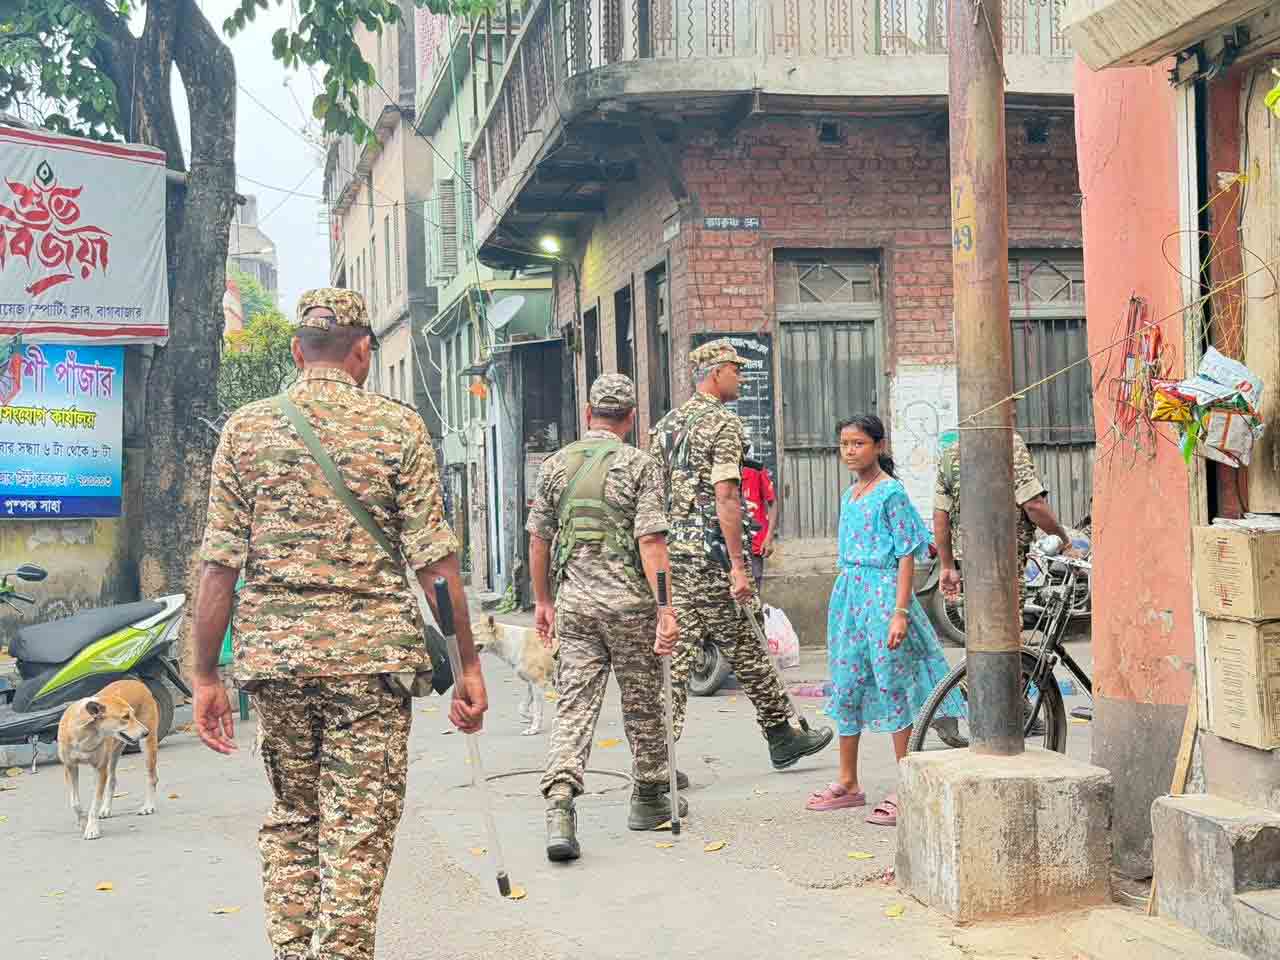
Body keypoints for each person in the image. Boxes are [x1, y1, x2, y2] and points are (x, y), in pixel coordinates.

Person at [189, 287, 487, 960]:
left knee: (295, 818)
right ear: (363, 352)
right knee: (357, 831)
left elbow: (219, 566)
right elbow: (435, 567)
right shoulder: (397, 428)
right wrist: (467, 665)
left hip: (277, 663)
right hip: (370, 666)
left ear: (297, 350)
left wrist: (205, 673)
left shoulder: (246, 429)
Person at [649, 339, 833, 769]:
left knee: (737, 645)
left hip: (674, 556)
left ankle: (777, 733)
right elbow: (727, 497)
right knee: (707, 652)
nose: (742, 377)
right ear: (716, 374)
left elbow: (653, 495)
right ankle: (660, 763)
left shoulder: (667, 427)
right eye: (736, 370)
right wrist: (738, 564)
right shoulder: (723, 425)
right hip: (710, 560)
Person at [528, 374, 682, 862]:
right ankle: (650, 798)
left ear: (588, 412)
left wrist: (543, 600)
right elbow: (652, 543)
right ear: (632, 418)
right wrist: (666, 608)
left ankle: (559, 805)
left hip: (575, 606)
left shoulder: (556, 465)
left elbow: (539, 540)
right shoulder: (640, 465)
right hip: (630, 606)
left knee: (574, 704)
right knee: (643, 702)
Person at [806, 415, 963, 826]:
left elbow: (908, 552)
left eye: (858, 443)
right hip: (850, 598)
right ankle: (848, 782)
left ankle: (906, 784)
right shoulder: (851, 494)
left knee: (893, 685)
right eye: (844, 444)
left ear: (878, 445)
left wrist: (900, 612)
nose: (850, 451)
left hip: (882, 595)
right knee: (847, 683)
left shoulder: (891, 493)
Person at [933, 431, 1081, 608]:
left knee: (979, 623)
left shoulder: (951, 452)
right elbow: (1033, 504)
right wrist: (1065, 544)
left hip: (970, 561)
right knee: (1006, 627)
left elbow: (940, 514)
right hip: (1005, 559)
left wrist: (948, 566)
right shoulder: (1009, 443)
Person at [740, 449, 778, 590]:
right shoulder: (721, 472)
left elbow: (772, 502)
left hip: (754, 544)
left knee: (754, 591)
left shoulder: (755, 470)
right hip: (729, 545)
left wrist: (769, 537)